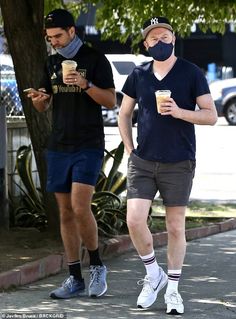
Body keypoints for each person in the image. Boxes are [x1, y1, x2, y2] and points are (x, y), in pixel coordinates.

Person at [118, 16, 217, 315]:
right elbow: (124, 114)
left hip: (179, 160)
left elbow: (210, 115)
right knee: (134, 220)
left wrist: (179, 111)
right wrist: (129, 148)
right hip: (143, 160)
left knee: (175, 227)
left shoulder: (191, 72)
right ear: (146, 44)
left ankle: (172, 289)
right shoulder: (139, 74)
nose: (159, 42)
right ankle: (153, 274)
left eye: (164, 37)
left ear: (173, 39)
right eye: (153, 39)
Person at [27, 8, 116, 299]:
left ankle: (98, 266)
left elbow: (111, 101)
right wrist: (40, 100)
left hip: (88, 143)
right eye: (49, 37)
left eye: (58, 36)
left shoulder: (94, 58)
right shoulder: (51, 61)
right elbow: (44, 105)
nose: (53, 42)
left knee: (80, 206)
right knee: (65, 212)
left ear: (72, 31)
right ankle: (75, 277)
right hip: (59, 146)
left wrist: (85, 84)